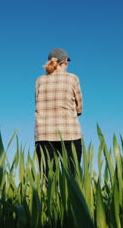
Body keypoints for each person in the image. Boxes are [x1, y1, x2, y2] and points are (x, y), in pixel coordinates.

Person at [34, 48, 83, 176]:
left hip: (44, 134)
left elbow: (37, 103)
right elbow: (79, 107)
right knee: (72, 177)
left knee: (49, 179)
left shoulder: (39, 80)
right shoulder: (73, 78)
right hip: (69, 134)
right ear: (65, 61)